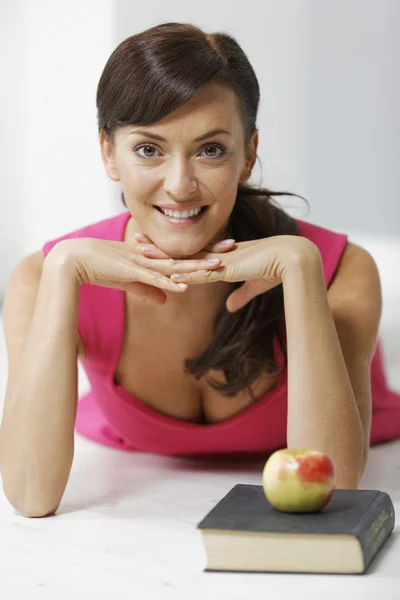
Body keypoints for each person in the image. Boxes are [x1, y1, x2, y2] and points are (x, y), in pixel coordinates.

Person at [1, 22, 399, 518]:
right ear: (109, 153)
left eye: (211, 149)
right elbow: (31, 495)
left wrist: (300, 269)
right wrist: (63, 269)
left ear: (248, 154)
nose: (180, 185)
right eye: (149, 149)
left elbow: (336, 493)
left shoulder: (342, 270)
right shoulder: (43, 277)